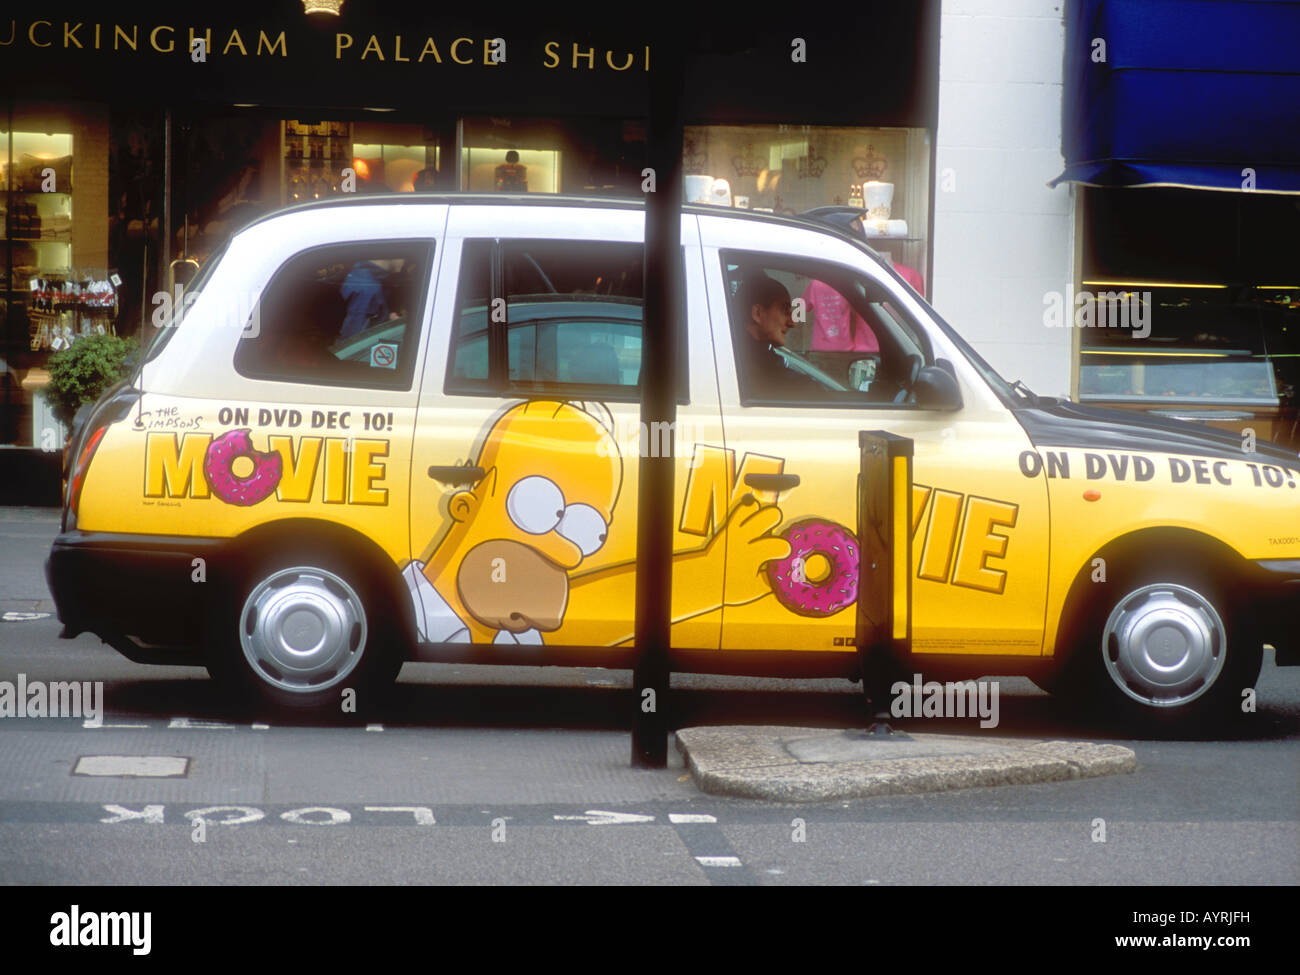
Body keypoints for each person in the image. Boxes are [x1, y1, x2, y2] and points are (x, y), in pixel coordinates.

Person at [734, 276, 824, 398]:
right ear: (758, 313)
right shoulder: (742, 364)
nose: (792, 323)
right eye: (785, 311)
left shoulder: (742, 355)